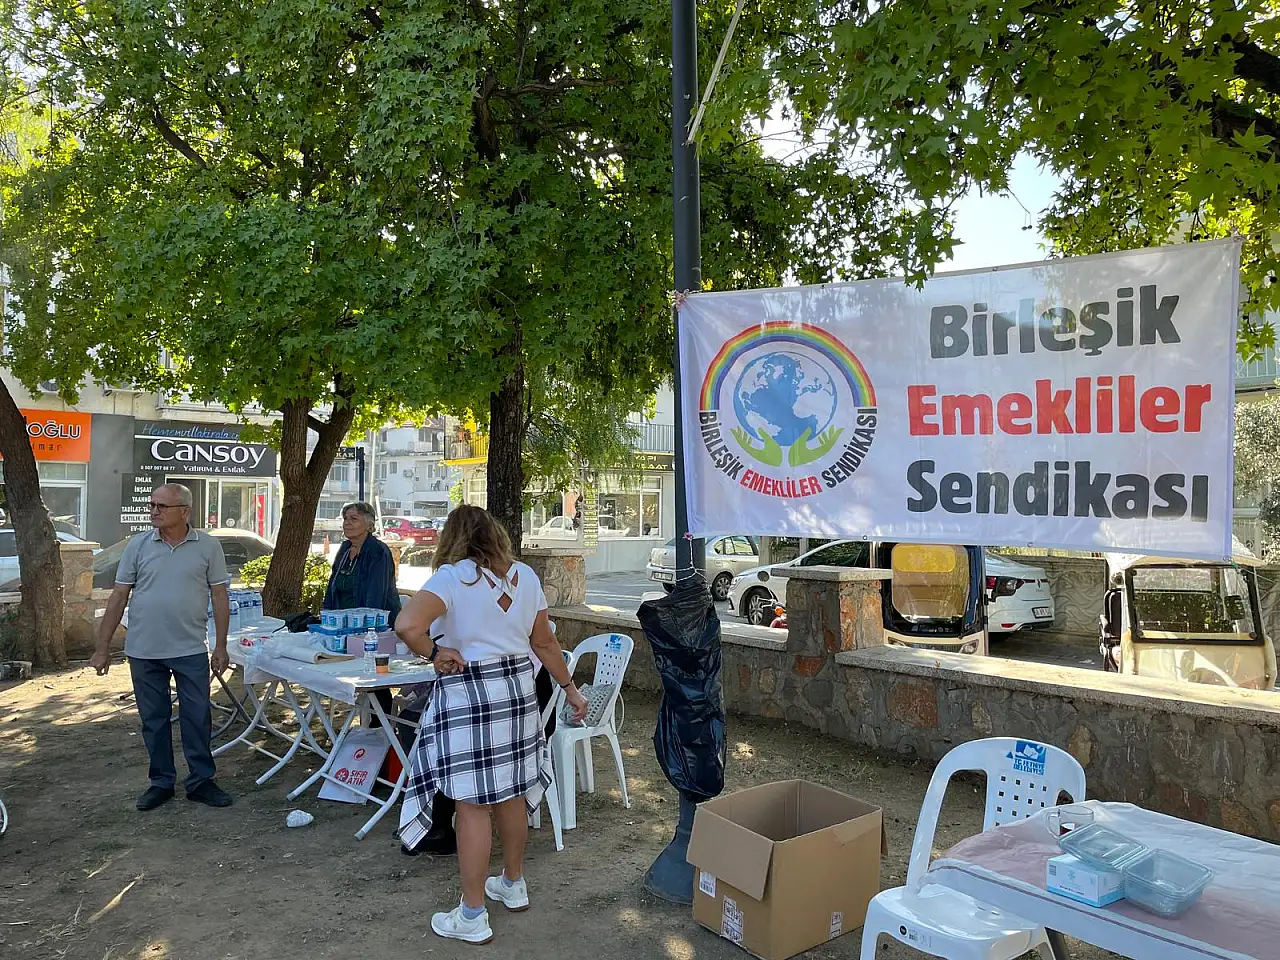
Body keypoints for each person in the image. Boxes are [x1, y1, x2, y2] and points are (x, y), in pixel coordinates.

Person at [395, 505, 587, 945]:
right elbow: (545, 642)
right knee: (513, 790)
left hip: (471, 694)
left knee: (472, 804)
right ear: (497, 537)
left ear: (453, 539)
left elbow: (406, 624)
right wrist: (571, 690)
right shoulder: (525, 577)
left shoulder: (452, 577)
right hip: (519, 691)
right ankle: (513, 883)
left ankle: (473, 913)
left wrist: (434, 653)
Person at [89, 483, 234, 811]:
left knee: (197, 717)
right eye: (152, 504)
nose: (153, 511)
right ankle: (161, 782)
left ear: (185, 511)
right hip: (144, 650)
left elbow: (220, 596)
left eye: (161, 506)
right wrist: (102, 647)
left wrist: (221, 646)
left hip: (191, 648)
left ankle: (200, 781)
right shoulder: (138, 546)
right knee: (153, 719)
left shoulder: (208, 547)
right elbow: (118, 597)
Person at [322, 501, 401, 622]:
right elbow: (331, 588)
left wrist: (364, 627)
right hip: (342, 624)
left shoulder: (378, 551)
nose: (347, 523)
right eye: (345, 519)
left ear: (369, 525)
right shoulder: (345, 548)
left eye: (354, 519)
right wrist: (326, 616)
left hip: (374, 625)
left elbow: (376, 596)